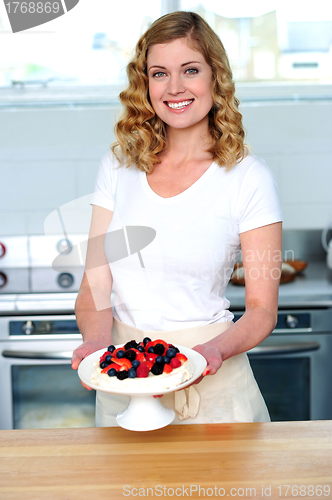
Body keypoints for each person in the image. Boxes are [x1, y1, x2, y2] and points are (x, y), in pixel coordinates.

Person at [71, 11, 282, 426]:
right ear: (145, 83)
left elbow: (261, 309)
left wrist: (215, 351)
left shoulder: (248, 177)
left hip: (212, 383)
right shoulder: (118, 166)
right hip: (124, 381)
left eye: (190, 70)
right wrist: (96, 347)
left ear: (214, 78)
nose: (175, 87)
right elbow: (95, 285)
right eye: (159, 73)